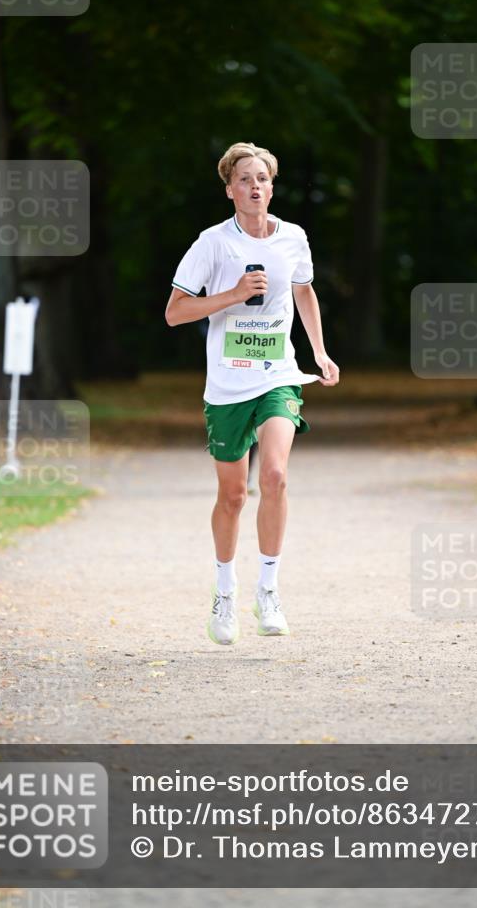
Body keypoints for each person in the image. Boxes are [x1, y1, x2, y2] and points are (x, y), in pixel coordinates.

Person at [165, 142, 340, 645]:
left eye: (262, 178)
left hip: (277, 375)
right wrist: (234, 295)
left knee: (276, 475)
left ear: (272, 186)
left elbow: (303, 290)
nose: (255, 186)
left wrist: (319, 352)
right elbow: (175, 312)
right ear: (230, 190)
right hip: (226, 384)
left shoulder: (293, 238)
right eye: (244, 179)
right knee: (233, 495)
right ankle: (225, 591)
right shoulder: (213, 244)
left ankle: (269, 590)